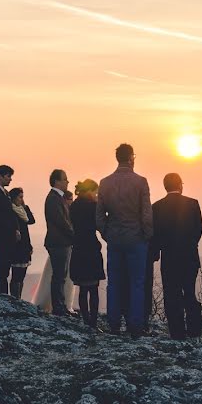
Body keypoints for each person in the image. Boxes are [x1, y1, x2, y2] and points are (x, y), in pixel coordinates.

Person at [96, 143, 153, 338]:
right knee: (137, 283)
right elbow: (146, 214)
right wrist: (147, 235)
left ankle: (113, 324)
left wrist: (107, 233)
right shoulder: (141, 182)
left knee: (114, 282)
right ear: (131, 158)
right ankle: (135, 326)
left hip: (115, 239)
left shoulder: (104, 183)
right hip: (136, 239)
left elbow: (99, 216)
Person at [151, 173, 202, 340]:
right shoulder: (193, 204)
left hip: (169, 257)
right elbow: (198, 230)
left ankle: (176, 331)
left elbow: (155, 234)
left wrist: (157, 251)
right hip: (189, 256)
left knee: (171, 294)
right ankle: (194, 329)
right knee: (189, 292)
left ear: (165, 186)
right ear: (180, 184)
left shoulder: (157, 207)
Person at [69, 179, 105, 329]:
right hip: (90, 247)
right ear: (90, 191)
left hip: (78, 247)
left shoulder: (74, 206)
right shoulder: (93, 206)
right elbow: (99, 224)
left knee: (83, 288)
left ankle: (85, 319)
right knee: (93, 288)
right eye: (95, 192)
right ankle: (93, 322)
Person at [44, 169, 75, 316]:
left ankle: (60, 305)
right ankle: (58, 307)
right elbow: (61, 221)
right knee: (59, 276)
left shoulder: (57, 198)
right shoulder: (53, 198)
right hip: (59, 242)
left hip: (62, 241)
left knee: (61, 275)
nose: (67, 182)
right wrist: (73, 234)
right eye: (65, 179)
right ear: (57, 181)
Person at [0, 165, 20, 296]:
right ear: (0, 176)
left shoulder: (5, 193)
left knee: (5, 268)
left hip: (8, 237)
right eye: (8, 176)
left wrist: (16, 230)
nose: (10, 179)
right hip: (2, 237)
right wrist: (12, 231)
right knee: (1, 268)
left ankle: (2, 295)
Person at [8, 188, 35, 300]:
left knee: (22, 273)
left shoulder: (23, 209)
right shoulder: (10, 210)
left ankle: (18, 297)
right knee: (16, 274)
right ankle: (14, 298)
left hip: (25, 243)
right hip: (16, 245)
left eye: (22, 197)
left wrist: (25, 207)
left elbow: (32, 220)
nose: (21, 199)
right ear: (14, 198)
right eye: (20, 197)